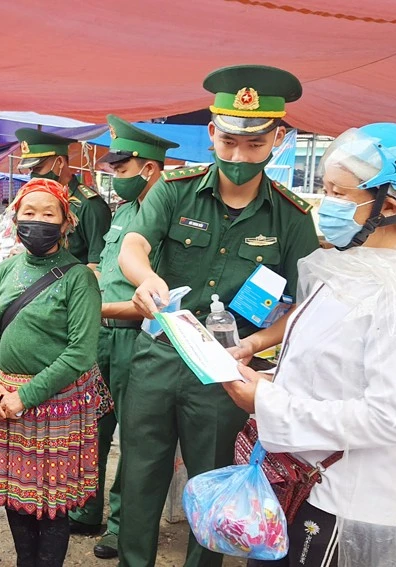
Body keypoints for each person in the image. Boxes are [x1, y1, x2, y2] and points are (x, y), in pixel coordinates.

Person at [224, 123, 396, 567]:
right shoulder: (359, 264)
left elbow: (393, 417)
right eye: (325, 189)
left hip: (342, 502)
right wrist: (269, 380)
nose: (325, 204)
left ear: (390, 206)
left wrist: (267, 402)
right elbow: (331, 368)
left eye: (338, 194)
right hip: (301, 482)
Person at [116, 65, 320, 567]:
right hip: (159, 356)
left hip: (227, 371)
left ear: (278, 139)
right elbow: (133, 244)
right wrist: (146, 278)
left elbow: (304, 307)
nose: (239, 156)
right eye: (228, 141)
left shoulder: (292, 218)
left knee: (214, 482)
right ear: (211, 133)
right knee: (140, 476)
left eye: (254, 144)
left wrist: (254, 344)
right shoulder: (174, 189)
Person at [0, 177, 106, 567]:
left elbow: (80, 353)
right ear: (15, 218)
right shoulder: (7, 269)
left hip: (56, 405)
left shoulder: (80, 278)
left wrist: (25, 396)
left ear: (66, 223)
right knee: (16, 497)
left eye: (48, 214)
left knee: (52, 503)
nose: (37, 221)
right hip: (6, 404)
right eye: (29, 212)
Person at [69, 116, 179, 558]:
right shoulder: (126, 212)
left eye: (122, 168)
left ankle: (121, 525)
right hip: (102, 339)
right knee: (94, 426)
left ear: (149, 169)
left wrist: (93, 309)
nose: (115, 176)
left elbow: (153, 300)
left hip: (138, 338)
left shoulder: (169, 216)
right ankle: (87, 508)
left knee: (135, 438)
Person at [15, 128, 111, 270]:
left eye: (38, 168)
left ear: (60, 162)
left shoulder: (88, 205)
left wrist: (72, 280)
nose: (34, 176)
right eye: (31, 170)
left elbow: (99, 264)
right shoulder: (36, 201)